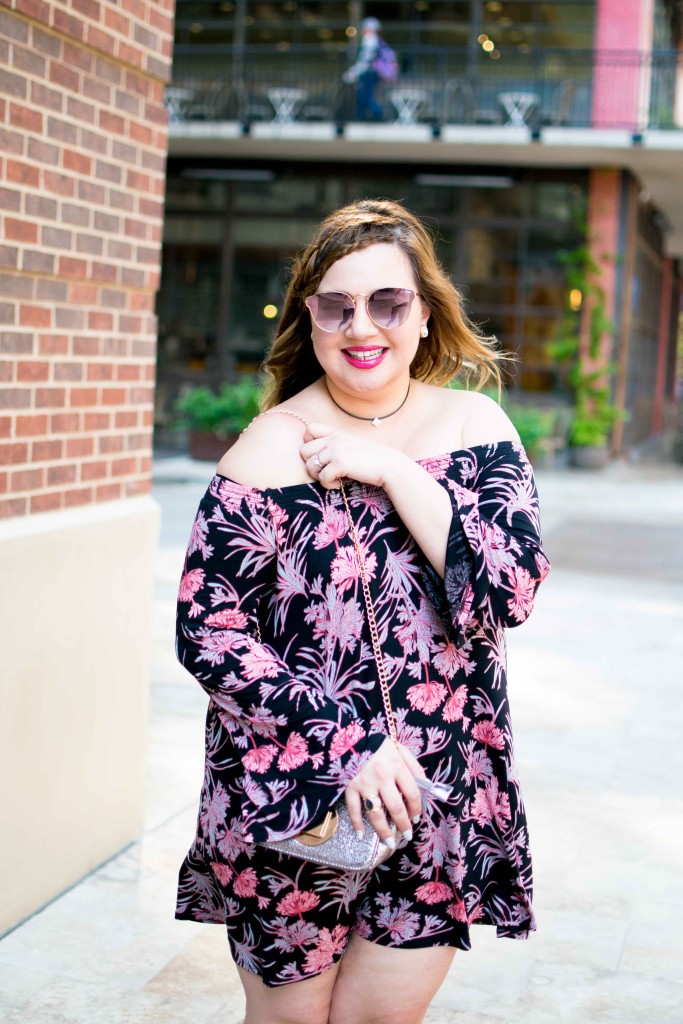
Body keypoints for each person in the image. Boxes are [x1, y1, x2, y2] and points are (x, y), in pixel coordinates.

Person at [175, 198, 550, 1024]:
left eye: (387, 302)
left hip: (440, 792)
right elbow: (209, 631)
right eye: (335, 306)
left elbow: (508, 591)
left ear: (423, 316)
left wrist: (392, 471)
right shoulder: (270, 445)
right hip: (294, 797)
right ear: (308, 319)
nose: (361, 325)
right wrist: (345, 745)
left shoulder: (474, 428)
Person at [342, 16, 390, 121]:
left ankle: (379, 115)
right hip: (371, 73)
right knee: (363, 97)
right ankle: (362, 118)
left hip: (369, 73)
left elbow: (365, 60)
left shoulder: (370, 40)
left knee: (364, 97)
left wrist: (353, 73)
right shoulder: (376, 40)